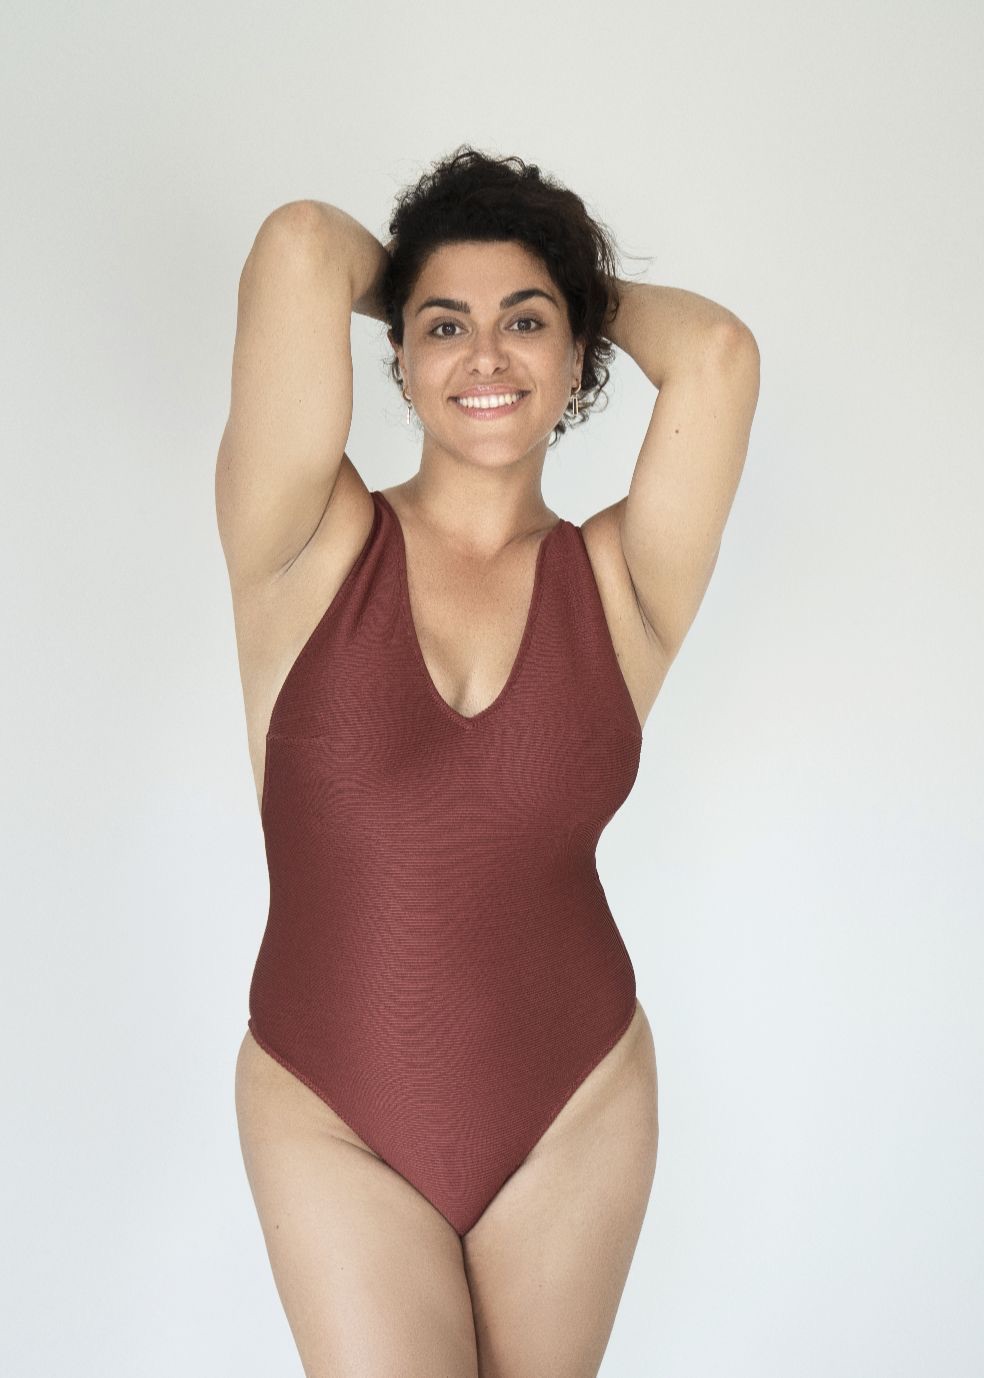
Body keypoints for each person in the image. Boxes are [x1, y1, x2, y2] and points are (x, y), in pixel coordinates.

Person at [215, 145, 760, 1377]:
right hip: (330, 1100)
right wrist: (441, 285)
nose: (486, 357)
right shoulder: (302, 543)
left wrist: (564, 287)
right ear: (400, 356)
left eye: (526, 323)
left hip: (575, 1101)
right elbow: (300, 245)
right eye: (444, 327)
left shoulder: (619, 587)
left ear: (578, 357)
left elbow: (720, 356)